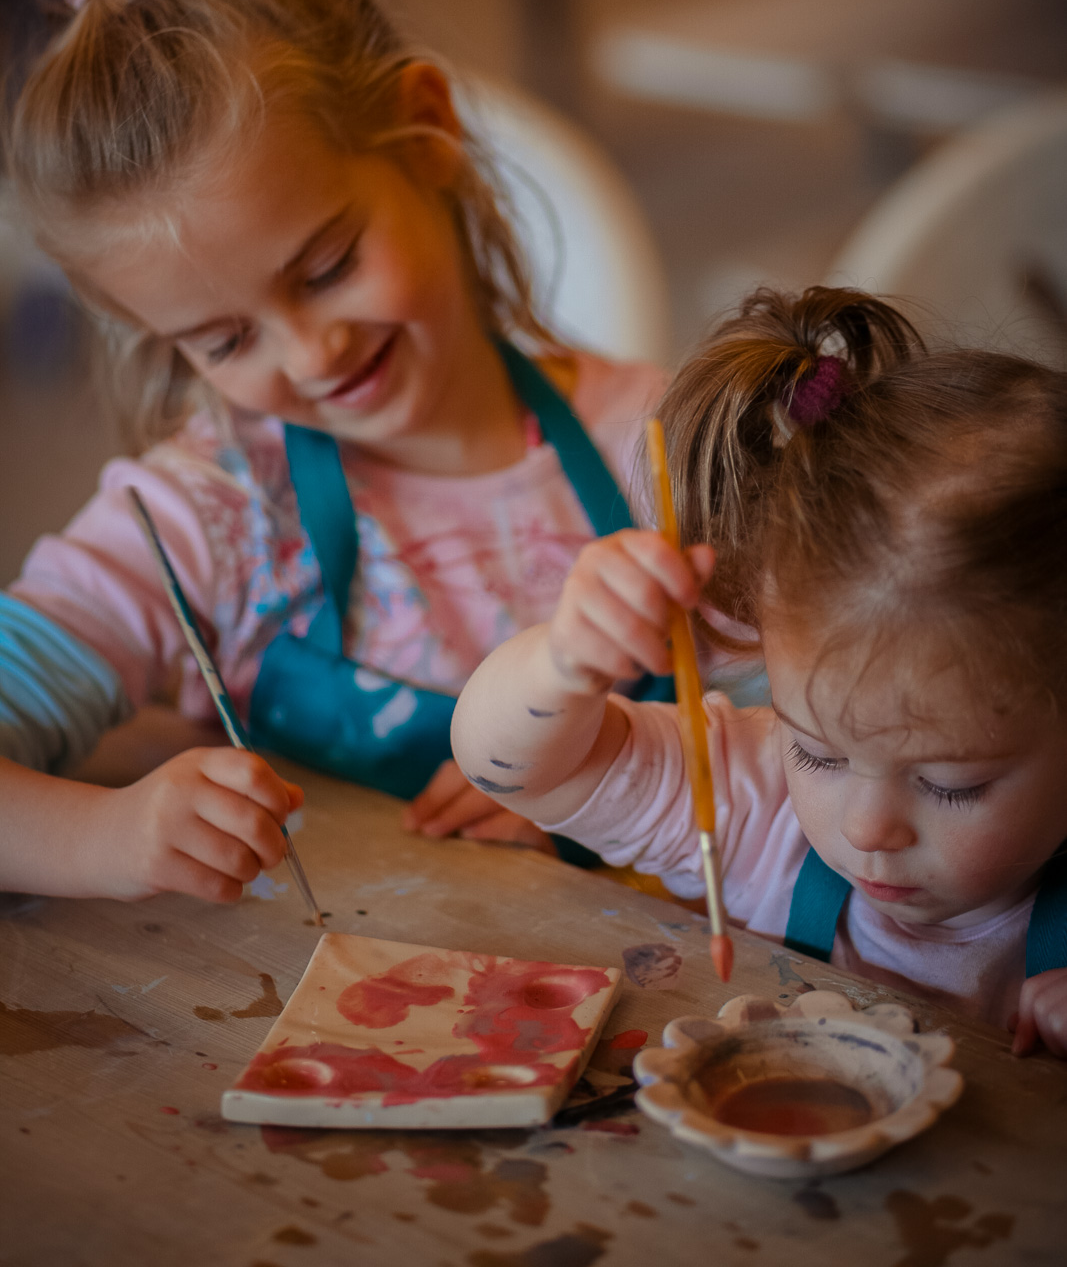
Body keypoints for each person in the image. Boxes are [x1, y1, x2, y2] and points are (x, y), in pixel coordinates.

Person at [0, 0, 666, 905]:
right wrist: (110, 836)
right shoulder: (210, 514)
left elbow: (863, 757)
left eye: (325, 268)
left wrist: (626, 778)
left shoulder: (664, 454)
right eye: (223, 341)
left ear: (426, 129)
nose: (310, 354)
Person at [453, 286, 1067, 1056]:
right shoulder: (759, 816)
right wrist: (563, 661)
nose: (865, 828)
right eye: (816, 750)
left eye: (949, 782)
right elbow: (507, 767)